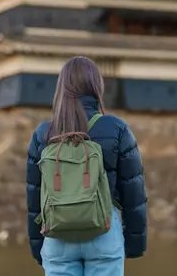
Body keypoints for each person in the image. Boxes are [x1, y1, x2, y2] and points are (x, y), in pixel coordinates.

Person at [26, 56, 147, 275]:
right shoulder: (116, 128)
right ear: (96, 86)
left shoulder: (42, 134)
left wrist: (38, 248)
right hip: (104, 231)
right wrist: (135, 244)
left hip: (57, 237)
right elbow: (134, 194)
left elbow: (35, 200)